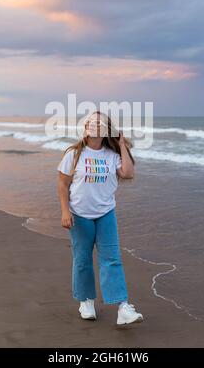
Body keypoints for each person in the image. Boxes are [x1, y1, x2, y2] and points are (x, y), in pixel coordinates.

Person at [57, 111, 143, 325]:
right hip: (80, 215)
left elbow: (128, 173)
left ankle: (123, 307)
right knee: (83, 260)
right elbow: (62, 185)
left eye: (99, 123)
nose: (93, 125)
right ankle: (86, 301)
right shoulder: (74, 154)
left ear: (106, 130)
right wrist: (65, 211)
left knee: (112, 259)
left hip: (105, 214)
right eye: (90, 122)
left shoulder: (112, 155)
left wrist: (122, 144)